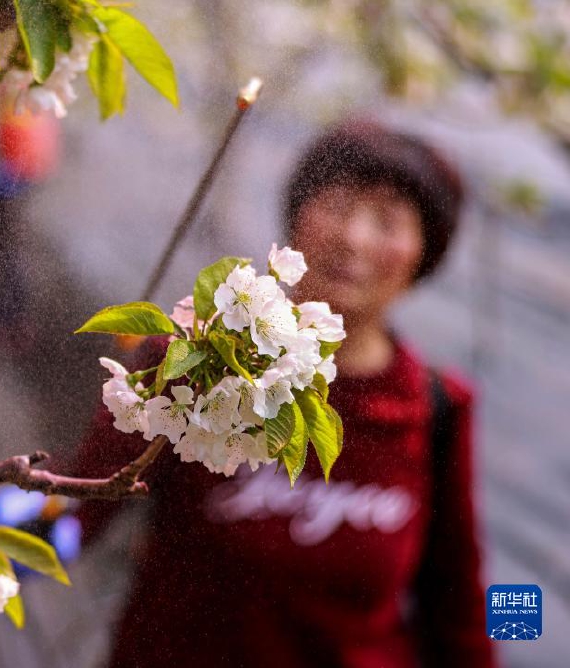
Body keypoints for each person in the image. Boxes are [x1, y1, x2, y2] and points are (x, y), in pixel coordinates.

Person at [70, 120, 496, 667]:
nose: (354, 238)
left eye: (387, 221)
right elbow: (80, 501)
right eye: (338, 207)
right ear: (294, 223)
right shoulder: (193, 362)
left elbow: (467, 592)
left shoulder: (439, 406)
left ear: (423, 258)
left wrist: (519, 637)